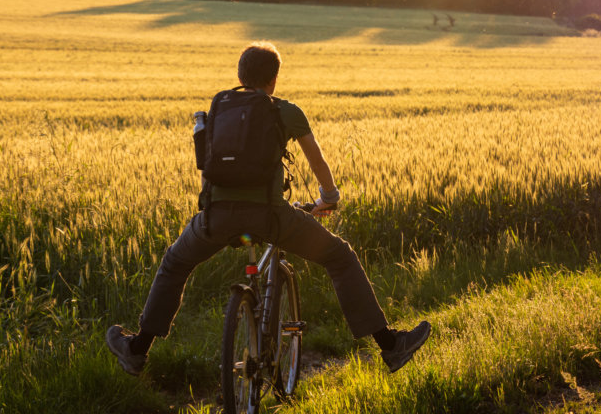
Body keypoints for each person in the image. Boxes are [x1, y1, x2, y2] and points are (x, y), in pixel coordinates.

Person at [106, 41, 430, 376]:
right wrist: (328, 198)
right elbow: (316, 160)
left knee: (175, 263)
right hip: (271, 218)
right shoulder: (284, 111)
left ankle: (137, 349)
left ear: (239, 76)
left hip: (215, 218)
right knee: (339, 257)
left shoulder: (219, 108)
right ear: (273, 79)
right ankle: (391, 346)